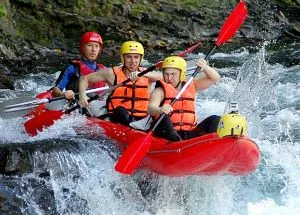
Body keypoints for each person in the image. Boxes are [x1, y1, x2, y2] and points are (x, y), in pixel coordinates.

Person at [78, 41, 163, 124]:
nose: (133, 61)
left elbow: (166, 78)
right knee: (121, 112)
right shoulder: (111, 73)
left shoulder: (148, 75)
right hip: (118, 115)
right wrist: (82, 95)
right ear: (123, 58)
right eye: (129, 57)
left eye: (136, 57)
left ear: (141, 58)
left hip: (141, 119)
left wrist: (142, 75)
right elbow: (84, 79)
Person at [148, 56, 221, 141]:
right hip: (167, 134)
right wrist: (160, 109)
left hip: (189, 133)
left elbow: (215, 78)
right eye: (166, 74)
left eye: (173, 74)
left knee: (215, 119)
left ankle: (213, 145)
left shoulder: (192, 85)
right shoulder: (159, 91)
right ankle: (178, 144)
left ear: (182, 74)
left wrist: (205, 67)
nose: (169, 78)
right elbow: (150, 108)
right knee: (164, 118)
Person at [51, 32, 106, 100]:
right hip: (76, 106)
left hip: (97, 106)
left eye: (96, 46)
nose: (93, 49)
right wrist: (63, 94)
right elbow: (55, 90)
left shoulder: (104, 70)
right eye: (89, 45)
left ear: (99, 49)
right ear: (83, 48)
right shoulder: (73, 68)